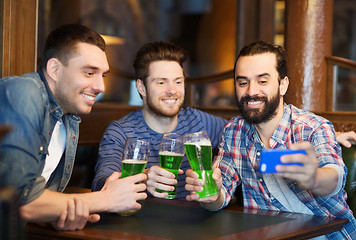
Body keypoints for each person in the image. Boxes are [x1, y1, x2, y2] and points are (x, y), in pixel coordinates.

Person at [185, 41, 356, 239]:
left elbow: (334, 177)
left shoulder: (313, 127)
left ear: (283, 85)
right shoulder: (234, 131)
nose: (251, 91)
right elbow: (220, 192)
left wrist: (313, 178)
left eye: (262, 81)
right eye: (242, 82)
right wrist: (211, 195)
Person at [0, 24, 147, 231]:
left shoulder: (69, 119)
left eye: (102, 75)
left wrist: (61, 212)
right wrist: (105, 199)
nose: (100, 87)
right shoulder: (23, 92)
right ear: (55, 69)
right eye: (89, 73)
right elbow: (19, 201)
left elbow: (37, 204)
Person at [92, 41, 227, 199]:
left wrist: (219, 173)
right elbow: (101, 185)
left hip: (193, 220)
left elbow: (239, 133)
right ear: (142, 88)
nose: (172, 91)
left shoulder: (198, 121)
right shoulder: (121, 132)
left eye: (178, 82)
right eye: (161, 82)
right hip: (141, 221)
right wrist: (143, 178)